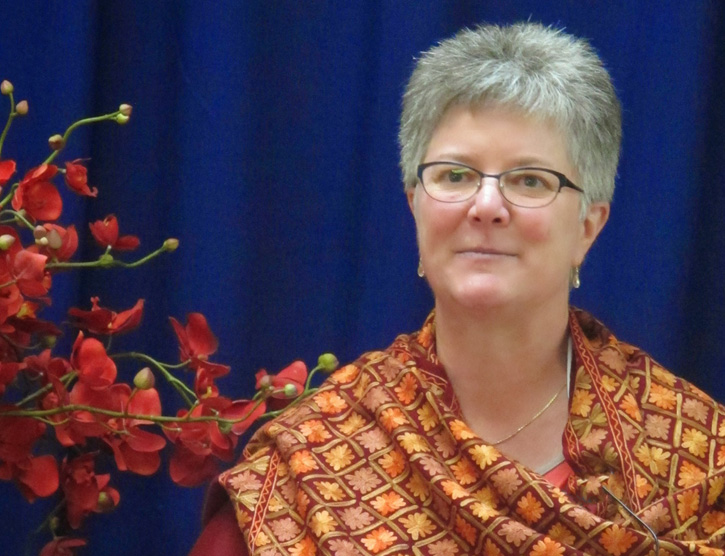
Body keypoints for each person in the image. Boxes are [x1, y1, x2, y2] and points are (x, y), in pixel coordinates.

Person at [191, 22, 725, 555]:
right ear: (415, 206)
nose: (486, 206)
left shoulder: (694, 455)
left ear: (588, 226)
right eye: (455, 175)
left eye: (530, 180)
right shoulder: (308, 467)